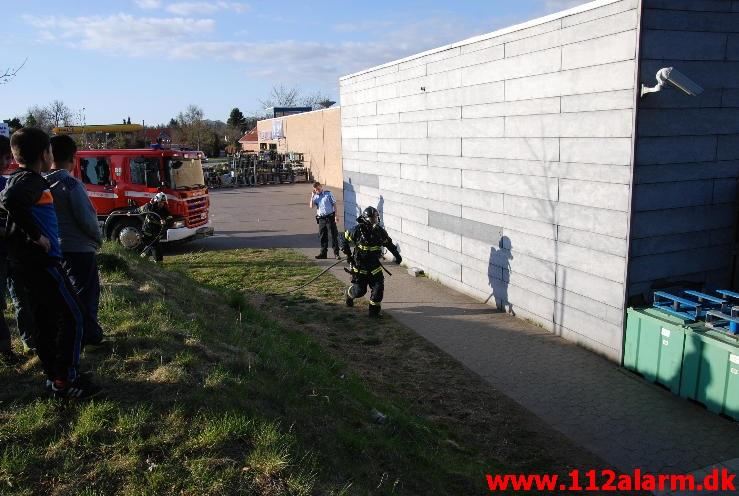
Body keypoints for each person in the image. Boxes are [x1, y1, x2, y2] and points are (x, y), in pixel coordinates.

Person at [0, 127, 100, 398]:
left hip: (27, 265)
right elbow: (9, 201)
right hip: (43, 263)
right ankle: (66, 380)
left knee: (45, 321)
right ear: (45, 154)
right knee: (74, 316)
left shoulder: (20, 178)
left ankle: (55, 377)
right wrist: (37, 236)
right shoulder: (29, 181)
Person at [46, 135, 104, 346]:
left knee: (66, 295)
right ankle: (89, 333)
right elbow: (87, 219)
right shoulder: (71, 184)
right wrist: (98, 240)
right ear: (73, 157)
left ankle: (73, 332)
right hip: (80, 249)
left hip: (55, 249)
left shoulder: (43, 184)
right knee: (85, 294)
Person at [341, 206, 402, 318]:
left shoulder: (380, 232)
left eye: (376, 218)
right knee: (360, 291)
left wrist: (397, 256)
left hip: (375, 267)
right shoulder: (357, 230)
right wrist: (348, 255)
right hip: (360, 268)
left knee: (378, 290)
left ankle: (374, 313)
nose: (375, 221)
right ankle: (349, 293)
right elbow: (343, 239)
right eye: (372, 219)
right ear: (366, 219)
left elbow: (389, 244)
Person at [0, 135, 21, 365]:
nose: (9, 162)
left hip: (11, 251)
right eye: (6, 157)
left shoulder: (7, 182)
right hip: (6, 249)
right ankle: (5, 350)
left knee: (19, 297)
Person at [132, 192, 171, 262]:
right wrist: (130, 213)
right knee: (151, 247)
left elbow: (170, 219)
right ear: (156, 201)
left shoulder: (165, 211)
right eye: (160, 202)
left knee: (153, 247)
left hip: (156, 234)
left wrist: (166, 222)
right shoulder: (149, 207)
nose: (161, 204)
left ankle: (149, 260)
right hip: (146, 232)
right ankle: (146, 260)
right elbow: (138, 210)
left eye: (163, 202)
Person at [309, 181, 340, 259]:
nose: (317, 190)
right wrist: (312, 196)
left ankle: (336, 254)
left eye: (318, 188)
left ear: (321, 186)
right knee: (323, 236)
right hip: (321, 219)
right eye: (316, 190)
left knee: (333, 235)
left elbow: (334, 204)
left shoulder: (328, 194)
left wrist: (336, 216)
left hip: (330, 217)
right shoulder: (315, 196)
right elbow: (311, 206)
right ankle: (323, 254)